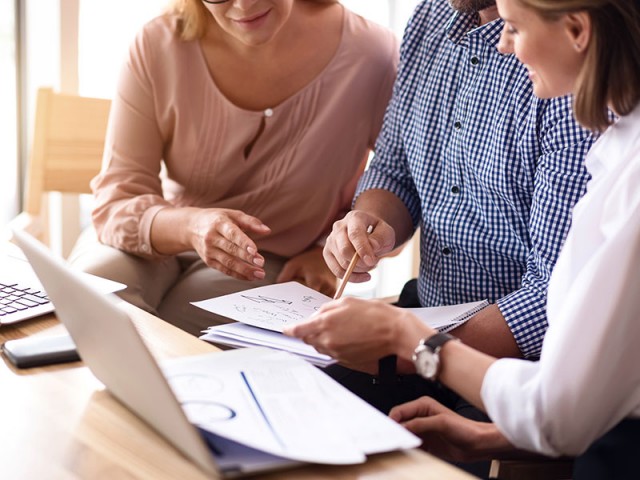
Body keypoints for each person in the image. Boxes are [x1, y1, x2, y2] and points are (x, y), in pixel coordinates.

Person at [288, 0, 640, 476]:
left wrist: (404, 344)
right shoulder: (434, 17)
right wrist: (368, 221)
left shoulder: (580, 99)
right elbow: (393, 164)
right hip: (432, 320)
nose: (503, 44)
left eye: (513, 29)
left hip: (515, 357)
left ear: (577, 30)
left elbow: (560, 393)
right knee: (293, 415)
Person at [69, 0, 398, 336]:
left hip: (264, 261)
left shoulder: (372, 55)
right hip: (157, 232)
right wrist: (193, 226)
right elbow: (116, 203)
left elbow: (402, 185)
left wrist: (327, 252)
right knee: (88, 299)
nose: (243, 5)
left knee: (182, 329)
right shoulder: (158, 44)